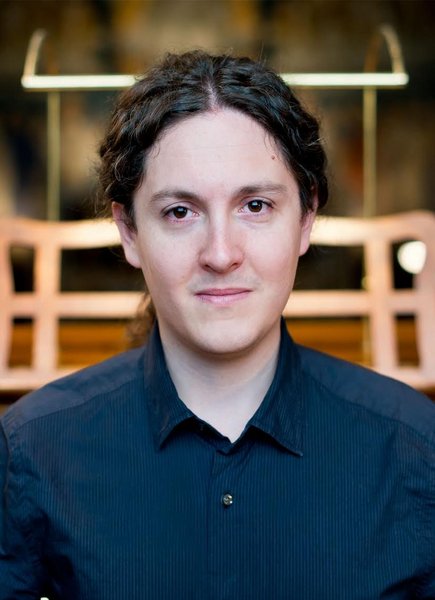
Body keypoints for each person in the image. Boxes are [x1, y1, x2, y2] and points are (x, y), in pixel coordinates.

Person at [1, 51, 434, 600]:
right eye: (180, 212)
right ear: (129, 232)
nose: (221, 254)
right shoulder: (31, 449)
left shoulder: (419, 447)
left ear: (306, 219)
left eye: (255, 205)